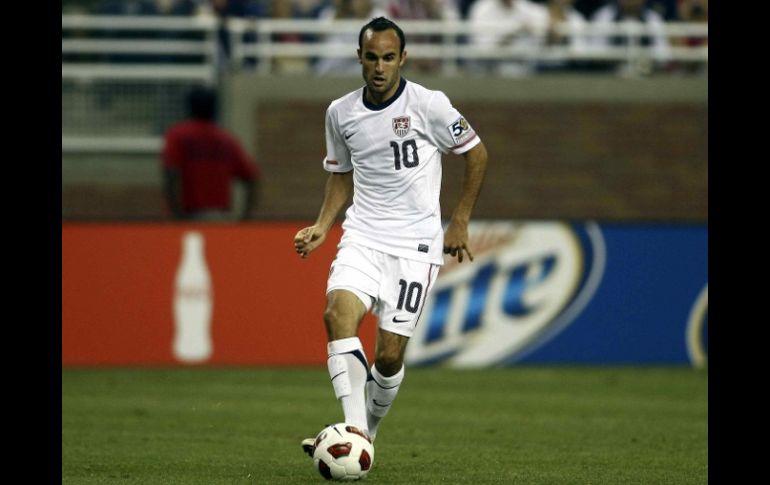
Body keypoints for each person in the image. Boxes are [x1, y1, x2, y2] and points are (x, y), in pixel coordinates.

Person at [294, 16, 488, 458]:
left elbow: (477, 153)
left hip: (415, 247)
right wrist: (323, 225)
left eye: (387, 58)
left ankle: (368, 431)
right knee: (335, 316)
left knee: (388, 356)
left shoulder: (429, 104)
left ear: (402, 58)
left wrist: (459, 220)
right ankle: (355, 432)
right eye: (370, 58)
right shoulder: (340, 113)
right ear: (358, 58)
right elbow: (341, 174)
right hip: (362, 234)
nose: (379, 67)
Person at [162, 86, 261, 221]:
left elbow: (171, 174)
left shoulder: (178, 135)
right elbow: (252, 177)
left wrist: (176, 214)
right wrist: (245, 219)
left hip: (188, 216)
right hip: (219, 218)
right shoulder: (226, 139)